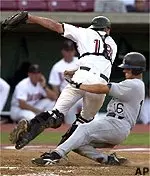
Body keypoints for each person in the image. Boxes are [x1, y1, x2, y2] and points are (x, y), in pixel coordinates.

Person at [9, 13, 117, 150]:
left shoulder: (85, 32)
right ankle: (60, 151)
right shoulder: (113, 44)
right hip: (99, 85)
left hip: (81, 77)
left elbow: (55, 26)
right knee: (83, 122)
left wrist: (30, 18)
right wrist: (74, 70)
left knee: (56, 115)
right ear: (107, 29)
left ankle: (30, 128)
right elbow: (98, 62)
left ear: (93, 27)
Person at [31, 52, 146, 166]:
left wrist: (79, 85)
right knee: (76, 140)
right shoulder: (132, 84)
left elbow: (102, 88)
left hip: (117, 124)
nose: (124, 70)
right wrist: (78, 74)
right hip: (115, 125)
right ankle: (106, 159)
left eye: (128, 68)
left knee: (82, 129)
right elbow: (103, 84)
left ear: (136, 70)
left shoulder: (134, 85)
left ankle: (55, 155)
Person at [48, 39, 82, 124]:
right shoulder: (57, 67)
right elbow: (55, 87)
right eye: (67, 50)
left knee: (91, 108)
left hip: (82, 93)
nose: (69, 53)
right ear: (63, 51)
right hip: (68, 96)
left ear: (74, 51)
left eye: (71, 50)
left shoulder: (80, 62)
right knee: (71, 122)